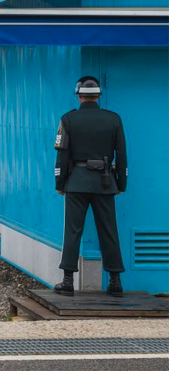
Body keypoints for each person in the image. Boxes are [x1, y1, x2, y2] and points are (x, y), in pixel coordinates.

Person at [54, 75, 127, 297]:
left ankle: (68, 281)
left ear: (78, 95)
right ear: (98, 95)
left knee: (73, 231)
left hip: (76, 181)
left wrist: (60, 182)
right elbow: (122, 155)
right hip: (105, 182)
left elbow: (62, 156)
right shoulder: (114, 119)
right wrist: (120, 183)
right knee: (109, 230)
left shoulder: (68, 119)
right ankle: (115, 281)